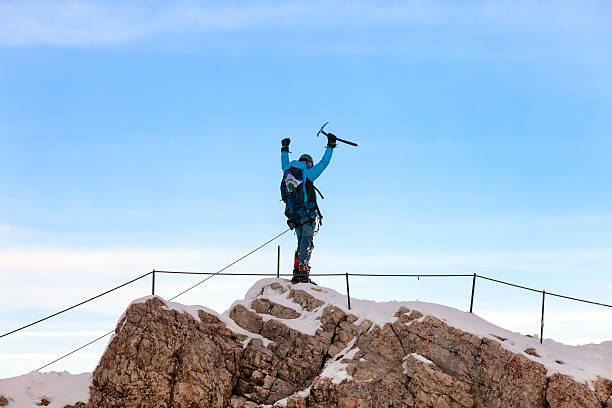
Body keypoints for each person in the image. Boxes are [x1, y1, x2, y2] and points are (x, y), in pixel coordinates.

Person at [281, 133, 336, 283]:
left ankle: (296, 272)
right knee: (307, 242)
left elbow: (283, 160)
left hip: (294, 216)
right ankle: (303, 273)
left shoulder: (288, 169)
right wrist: (331, 145)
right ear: (309, 163)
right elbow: (324, 163)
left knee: (300, 242)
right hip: (307, 214)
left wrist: (284, 147)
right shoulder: (308, 173)